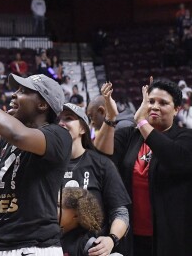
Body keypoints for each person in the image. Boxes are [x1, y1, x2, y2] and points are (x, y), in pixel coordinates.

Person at [0, 73, 71, 255]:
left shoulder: (58, 135)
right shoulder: (5, 142)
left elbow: (19, 135)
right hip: (0, 245)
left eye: (23, 91)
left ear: (42, 105)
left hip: (35, 247)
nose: (14, 94)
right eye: (15, 89)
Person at [94, 80, 192, 256]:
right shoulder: (131, 135)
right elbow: (101, 155)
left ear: (177, 109)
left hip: (171, 237)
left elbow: (173, 159)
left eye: (163, 103)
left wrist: (141, 121)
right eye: (151, 101)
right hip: (132, 235)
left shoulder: (185, 138)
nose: (154, 107)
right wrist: (110, 117)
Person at [58, 103, 130, 256]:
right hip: (53, 248)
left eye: (69, 118)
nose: (61, 123)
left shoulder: (102, 164)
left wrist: (111, 240)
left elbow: (120, 212)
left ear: (83, 129)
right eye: (58, 120)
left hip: (92, 250)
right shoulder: (47, 166)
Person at [59, 187, 105, 256]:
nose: (52, 209)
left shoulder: (89, 245)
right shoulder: (53, 236)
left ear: (76, 215)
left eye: (58, 206)